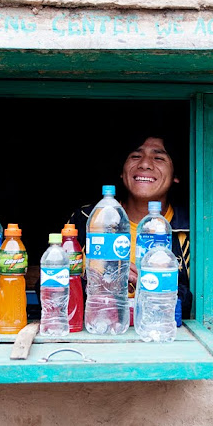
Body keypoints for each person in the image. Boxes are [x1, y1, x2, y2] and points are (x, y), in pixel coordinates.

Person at [64, 130, 193, 320]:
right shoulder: (88, 218)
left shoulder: (191, 228)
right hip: (99, 327)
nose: (145, 164)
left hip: (159, 332)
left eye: (158, 158)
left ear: (176, 175)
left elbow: (199, 300)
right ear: (122, 171)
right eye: (135, 156)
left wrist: (150, 283)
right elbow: (51, 284)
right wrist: (104, 284)